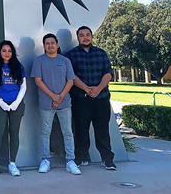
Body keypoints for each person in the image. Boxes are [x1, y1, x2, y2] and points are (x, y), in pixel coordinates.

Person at [65, 26, 116, 170]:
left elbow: (108, 73)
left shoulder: (101, 53)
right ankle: (81, 158)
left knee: (102, 130)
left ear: (91, 36)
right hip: (81, 99)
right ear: (78, 37)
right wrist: (87, 89)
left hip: (101, 99)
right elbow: (71, 75)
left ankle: (107, 159)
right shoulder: (71, 55)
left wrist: (98, 89)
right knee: (81, 129)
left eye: (88, 35)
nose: (85, 37)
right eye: (82, 35)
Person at [31, 33, 81, 175]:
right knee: (45, 132)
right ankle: (45, 160)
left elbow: (70, 81)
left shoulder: (65, 61)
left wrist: (60, 97)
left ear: (57, 45)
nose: (50, 45)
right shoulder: (39, 61)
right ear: (44, 46)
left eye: (53, 43)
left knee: (68, 132)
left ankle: (70, 161)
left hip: (64, 103)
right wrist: (53, 96)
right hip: (46, 103)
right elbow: (38, 81)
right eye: (47, 43)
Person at [0, 40, 27, 177]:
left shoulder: (18, 66)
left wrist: (16, 103)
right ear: (0, 52)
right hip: (0, 104)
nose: (7, 53)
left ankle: (12, 163)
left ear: (12, 52)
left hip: (16, 104)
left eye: (9, 51)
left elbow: (23, 86)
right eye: (4, 51)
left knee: (14, 133)